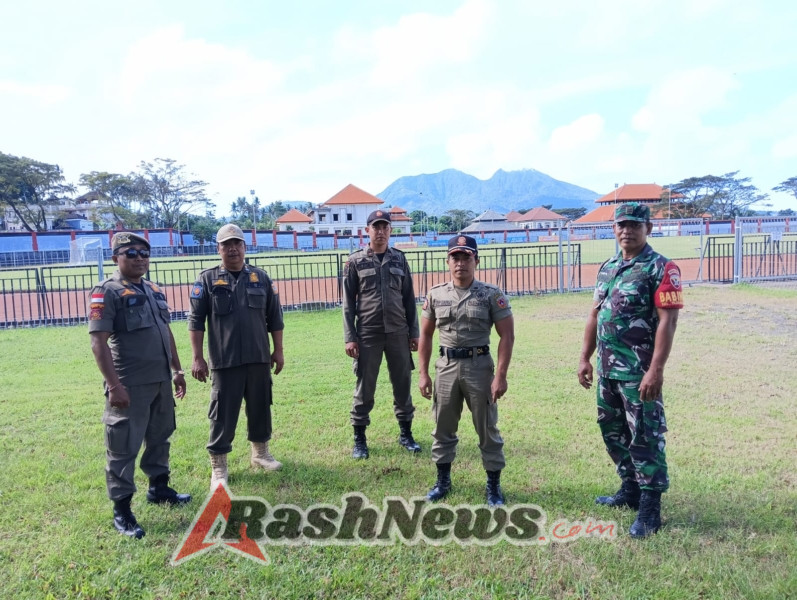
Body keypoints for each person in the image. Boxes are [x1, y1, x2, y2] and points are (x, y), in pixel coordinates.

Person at [578, 202, 683, 539]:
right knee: (612, 431)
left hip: (639, 373)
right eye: (622, 225)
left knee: (645, 438)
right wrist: (584, 358)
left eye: (635, 225)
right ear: (614, 229)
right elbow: (595, 316)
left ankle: (650, 509)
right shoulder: (607, 268)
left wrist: (657, 370)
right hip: (608, 371)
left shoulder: (661, 268)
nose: (627, 230)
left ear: (648, 229)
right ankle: (630, 488)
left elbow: (668, 322)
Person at [89, 232, 191, 540]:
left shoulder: (154, 289)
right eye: (130, 253)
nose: (139, 258)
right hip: (129, 384)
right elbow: (98, 342)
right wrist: (114, 385)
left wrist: (176, 368)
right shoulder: (106, 292)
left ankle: (159, 489)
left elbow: (166, 331)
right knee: (124, 446)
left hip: (160, 380)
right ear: (115, 258)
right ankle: (122, 510)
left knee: (161, 437)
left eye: (144, 253)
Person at [418, 234, 515, 506]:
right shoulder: (436, 294)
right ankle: (442, 481)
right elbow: (424, 335)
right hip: (446, 368)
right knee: (442, 426)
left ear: (476, 260)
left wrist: (501, 376)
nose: (460, 262)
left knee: (486, 427)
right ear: (448, 261)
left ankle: (493, 487)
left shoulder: (491, 294)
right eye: (455, 257)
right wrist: (423, 373)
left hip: (479, 368)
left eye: (466, 256)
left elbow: (507, 336)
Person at [188, 224, 285, 489]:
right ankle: (219, 467)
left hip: (258, 357)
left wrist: (278, 350)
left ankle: (260, 454)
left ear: (245, 246)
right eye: (226, 245)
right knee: (222, 414)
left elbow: (274, 317)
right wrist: (197, 358)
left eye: (237, 243)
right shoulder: (206, 280)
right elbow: (196, 322)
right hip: (224, 360)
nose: (232, 249)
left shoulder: (261, 278)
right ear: (218, 249)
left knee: (260, 406)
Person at [343, 209, 422, 459]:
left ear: (390, 230)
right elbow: (348, 304)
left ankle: (406, 434)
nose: (380, 231)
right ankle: (360, 439)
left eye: (385, 226)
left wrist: (414, 331)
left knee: (402, 384)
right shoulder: (355, 261)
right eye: (375, 227)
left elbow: (409, 298)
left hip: (398, 332)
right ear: (367, 231)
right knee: (365, 387)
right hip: (368, 333)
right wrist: (350, 336)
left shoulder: (399, 259)